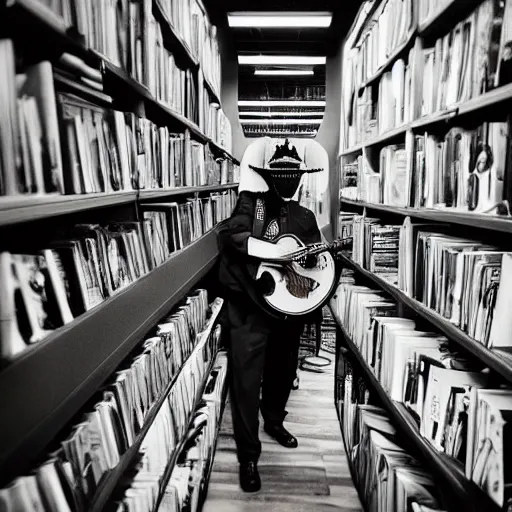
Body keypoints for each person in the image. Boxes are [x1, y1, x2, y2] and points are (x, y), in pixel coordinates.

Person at [217, 138, 324, 493]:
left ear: (301, 178)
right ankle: (248, 455)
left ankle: (274, 420)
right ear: (269, 175)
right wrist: (275, 252)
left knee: (283, 369)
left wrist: (308, 259)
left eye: (293, 174)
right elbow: (232, 236)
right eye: (280, 173)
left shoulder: (307, 217)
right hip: (250, 306)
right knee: (246, 382)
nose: (287, 179)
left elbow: (315, 265)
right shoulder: (253, 203)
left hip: (288, 310)